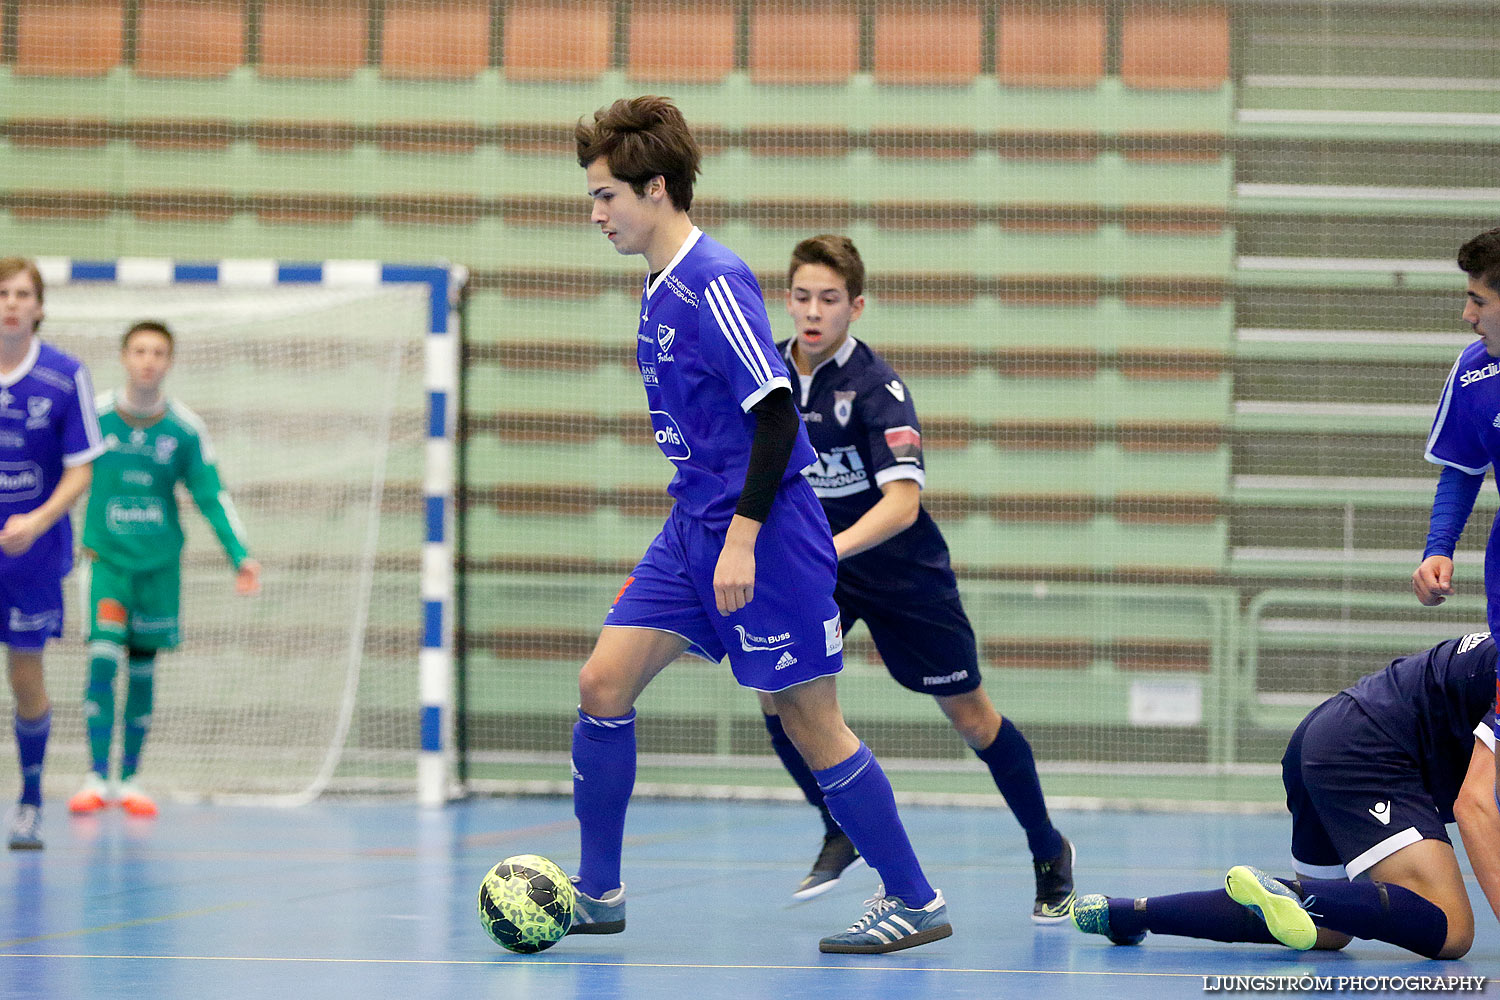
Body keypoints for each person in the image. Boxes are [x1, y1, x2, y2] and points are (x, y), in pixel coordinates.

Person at [568, 96, 951, 954]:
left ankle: (915, 898)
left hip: (766, 535)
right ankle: (598, 891)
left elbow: (778, 414)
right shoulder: (659, 285)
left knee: (807, 719)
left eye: (606, 196)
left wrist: (741, 536)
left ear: (655, 188)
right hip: (690, 528)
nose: (596, 214)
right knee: (602, 684)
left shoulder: (714, 280)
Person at [754, 235, 1074, 921]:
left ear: (856, 307)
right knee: (775, 693)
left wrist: (826, 550)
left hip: (903, 575)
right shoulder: (771, 376)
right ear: (788, 300)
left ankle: (1049, 848)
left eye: (830, 299)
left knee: (973, 719)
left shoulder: (877, 389)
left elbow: (903, 504)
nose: (814, 311)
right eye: (803, 296)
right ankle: (838, 821)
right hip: (823, 576)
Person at [1072, 632, 1500, 959]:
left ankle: (1131, 913)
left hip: (1326, 735)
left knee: (1326, 929)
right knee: (1451, 927)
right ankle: (1288, 892)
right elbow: (1475, 804)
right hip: (1367, 750)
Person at [66, 320, 260, 819]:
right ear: (124, 357)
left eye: (158, 352)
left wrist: (240, 556)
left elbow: (210, 494)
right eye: (139, 350)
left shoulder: (184, 429)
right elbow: (64, 474)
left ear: (169, 362)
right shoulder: (97, 418)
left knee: (143, 673)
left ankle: (129, 779)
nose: (148, 360)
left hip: (158, 570)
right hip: (107, 563)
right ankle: (94, 777)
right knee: (103, 659)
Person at [0, 255, 105, 850]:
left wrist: (36, 522)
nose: (11, 303)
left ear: (39, 307)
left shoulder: (65, 377)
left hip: (31, 551)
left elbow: (82, 467)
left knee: (25, 676)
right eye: (2, 292)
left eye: (22, 294)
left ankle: (32, 799)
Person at [1413, 228, 1500, 631]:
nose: (1468, 315)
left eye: (1479, 301)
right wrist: (1439, 549)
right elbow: (1463, 466)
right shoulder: (1473, 371)